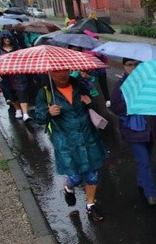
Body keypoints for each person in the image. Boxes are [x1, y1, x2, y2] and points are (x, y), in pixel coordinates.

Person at [34, 69, 107, 223]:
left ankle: (90, 205)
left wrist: (90, 102)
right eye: (56, 72)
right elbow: (39, 118)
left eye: (64, 71)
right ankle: (68, 187)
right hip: (67, 141)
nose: (61, 75)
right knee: (76, 176)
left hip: (88, 137)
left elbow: (94, 105)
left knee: (92, 174)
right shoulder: (45, 92)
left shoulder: (80, 85)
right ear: (50, 73)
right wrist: (48, 112)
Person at [110, 57, 156, 206]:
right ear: (124, 66)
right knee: (144, 160)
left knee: (146, 159)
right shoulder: (120, 86)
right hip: (133, 129)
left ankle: (141, 180)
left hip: (150, 129)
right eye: (129, 65)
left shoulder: (149, 83)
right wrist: (133, 104)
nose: (133, 68)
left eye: (136, 64)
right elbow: (116, 108)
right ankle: (150, 193)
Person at [0, 31, 31, 121]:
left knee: (22, 92)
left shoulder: (18, 48)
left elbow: (24, 60)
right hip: (4, 76)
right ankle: (17, 109)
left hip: (18, 74)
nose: (7, 40)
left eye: (8, 38)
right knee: (10, 93)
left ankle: (25, 114)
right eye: (5, 38)